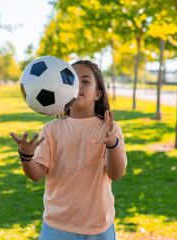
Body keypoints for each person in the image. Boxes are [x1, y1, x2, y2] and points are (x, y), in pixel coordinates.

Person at [10, 60, 127, 240]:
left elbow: (116, 174)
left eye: (85, 81)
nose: (77, 84)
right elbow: (37, 175)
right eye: (71, 78)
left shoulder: (110, 128)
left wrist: (112, 144)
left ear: (97, 94)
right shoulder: (51, 130)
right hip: (57, 225)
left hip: (99, 226)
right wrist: (26, 157)